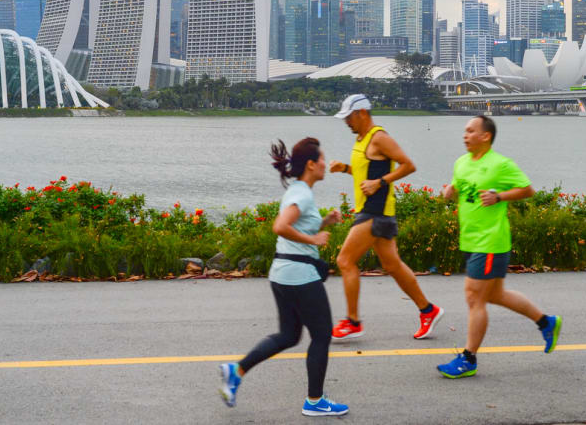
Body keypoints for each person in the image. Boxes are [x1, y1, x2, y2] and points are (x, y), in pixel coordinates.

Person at [219, 137, 349, 417]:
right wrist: (313, 239)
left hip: (282, 273)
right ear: (311, 164)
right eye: (322, 159)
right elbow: (280, 226)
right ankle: (315, 401)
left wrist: (324, 222)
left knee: (289, 335)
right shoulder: (302, 194)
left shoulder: (299, 191)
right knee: (322, 334)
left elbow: (295, 225)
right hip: (300, 275)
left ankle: (236, 371)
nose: (325, 163)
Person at [437, 115, 561, 379]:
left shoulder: (501, 164)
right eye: (465, 131)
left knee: (474, 297)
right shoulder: (461, 163)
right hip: (470, 239)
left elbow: (527, 189)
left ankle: (468, 358)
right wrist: (450, 191)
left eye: (471, 131)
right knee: (494, 295)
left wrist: (499, 196)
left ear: (486, 136)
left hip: (491, 241)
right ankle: (546, 322)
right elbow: (459, 186)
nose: (465, 135)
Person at [328, 94, 443, 341]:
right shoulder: (361, 139)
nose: (346, 122)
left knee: (345, 260)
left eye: (349, 117)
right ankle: (428, 310)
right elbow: (366, 174)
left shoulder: (379, 137)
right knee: (393, 266)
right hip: (374, 211)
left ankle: (353, 322)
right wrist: (345, 169)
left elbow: (408, 165)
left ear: (362, 113)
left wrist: (380, 182)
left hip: (375, 212)